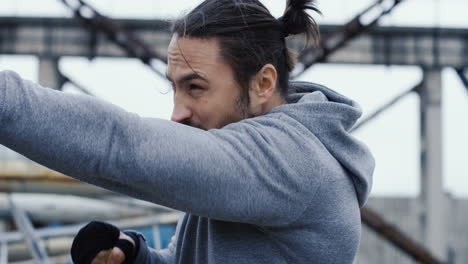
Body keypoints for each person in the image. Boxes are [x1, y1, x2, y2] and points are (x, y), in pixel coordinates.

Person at [0, 0, 375, 263]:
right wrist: (137, 257)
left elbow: (120, 147)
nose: (177, 113)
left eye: (195, 87)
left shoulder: (292, 162)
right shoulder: (242, 159)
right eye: (174, 87)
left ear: (262, 83)